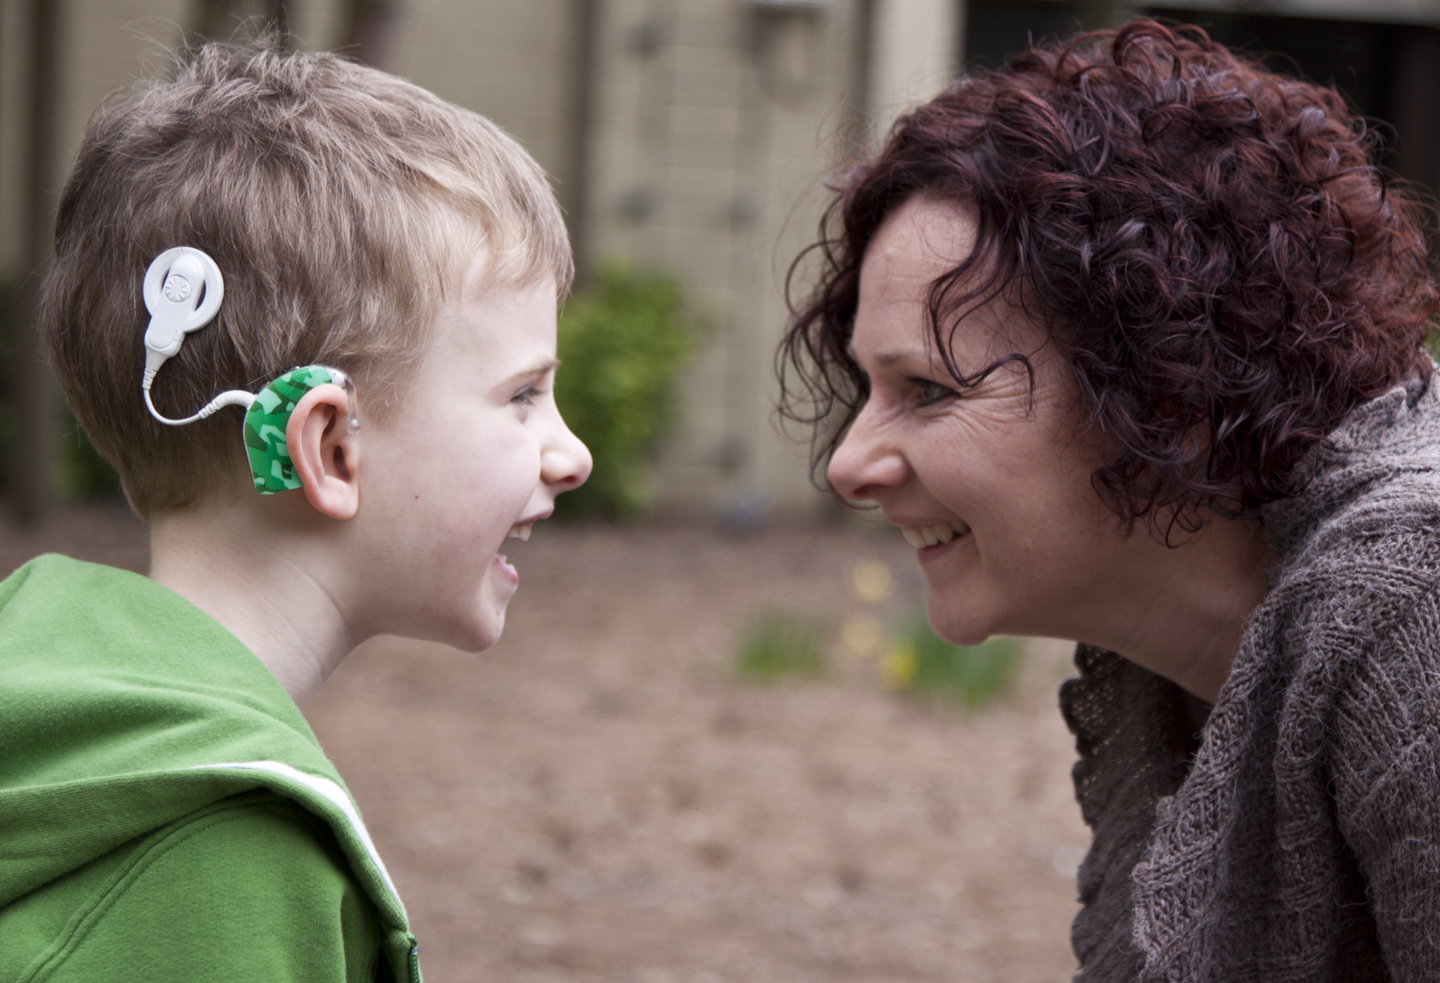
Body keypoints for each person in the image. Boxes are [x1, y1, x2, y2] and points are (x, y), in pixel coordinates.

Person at [781, 19, 1440, 981]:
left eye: (930, 389)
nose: (849, 464)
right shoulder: (1189, 646)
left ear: (1165, 389)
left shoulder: (1416, 613)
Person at [0, 38, 591, 983]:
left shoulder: (48, 700)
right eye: (523, 395)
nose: (573, 453)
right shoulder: (226, 856)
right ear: (326, 448)